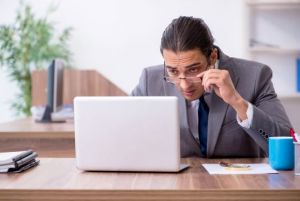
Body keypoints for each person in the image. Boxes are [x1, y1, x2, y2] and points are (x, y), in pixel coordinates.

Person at [131, 16, 292, 158]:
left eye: (193, 70)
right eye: (173, 71)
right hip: (176, 185)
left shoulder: (256, 76)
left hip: (239, 186)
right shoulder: (149, 80)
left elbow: (289, 148)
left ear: (212, 56)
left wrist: (237, 101)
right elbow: (124, 133)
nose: (184, 84)